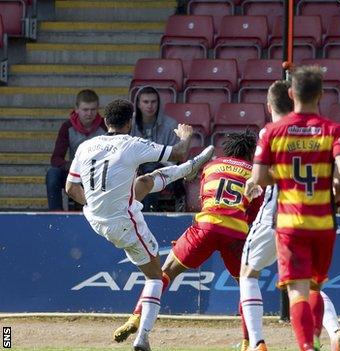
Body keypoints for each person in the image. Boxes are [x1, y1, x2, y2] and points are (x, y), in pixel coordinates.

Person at [65, 99, 215, 351]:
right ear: (129, 122)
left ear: (105, 121)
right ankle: (143, 338)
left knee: (143, 183)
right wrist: (186, 136)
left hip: (94, 218)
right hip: (123, 223)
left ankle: (187, 170)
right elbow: (177, 151)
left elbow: (70, 188)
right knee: (156, 276)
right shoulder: (131, 144)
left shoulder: (86, 146)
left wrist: (94, 204)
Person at [113, 130, 262, 350]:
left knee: (163, 274)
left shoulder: (212, 165)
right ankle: (248, 342)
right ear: (250, 153)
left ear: (228, 149)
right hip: (236, 232)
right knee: (247, 287)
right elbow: (254, 212)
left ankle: (136, 318)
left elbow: (202, 198)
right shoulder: (254, 173)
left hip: (206, 226)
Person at [245, 65, 340, 351]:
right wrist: (335, 192)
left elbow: (258, 178)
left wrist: (284, 178)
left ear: (291, 93)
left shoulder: (273, 131)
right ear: (320, 94)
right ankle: (318, 339)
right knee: (316, 286)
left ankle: (307, 346)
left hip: (290, 223)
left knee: (297, 291)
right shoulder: (334, 130)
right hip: (323, 222)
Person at [46, 89, 106, 210]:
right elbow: (56, 159)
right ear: (77, 109)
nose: (89, 113)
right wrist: (75, 166)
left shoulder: (105, 126)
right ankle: (55, 215)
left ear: (98, 109)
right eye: (85, 110)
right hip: (75, 171)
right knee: (52, 174)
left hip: (99, 173)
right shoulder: (67, 127)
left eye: (93, 109)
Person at [132, 86, 182, 211]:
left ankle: (148, 212)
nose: (150, 106)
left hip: (162, 169)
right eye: (146, 102)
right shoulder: (129, 123)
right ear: (138, 104)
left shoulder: (170, 124)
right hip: (135, 168)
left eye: (153, 102)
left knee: (151, 175)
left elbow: (174, 158)